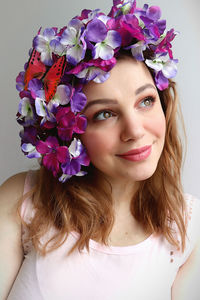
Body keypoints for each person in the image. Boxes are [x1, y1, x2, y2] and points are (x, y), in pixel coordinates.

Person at [0, 1, 200, 299]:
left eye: (145, 101)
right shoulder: (24, 199)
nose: (134, 131)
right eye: (104, 114)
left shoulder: (188, 226)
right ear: (69, 132)